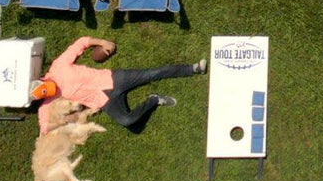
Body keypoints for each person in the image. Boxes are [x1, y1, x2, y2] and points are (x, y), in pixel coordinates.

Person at [36, 36, 206, 134]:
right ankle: (154, 100)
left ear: (42, 79)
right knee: (127, 121)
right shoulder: (47, 102)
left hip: (113, 79)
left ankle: (193, 68)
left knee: (152, 74)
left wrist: (102, 42)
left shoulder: (59, 66)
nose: (52, 90)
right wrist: (66, 119)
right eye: (47, 92)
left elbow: (81, 42)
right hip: (105, 103)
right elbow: (44, 128)